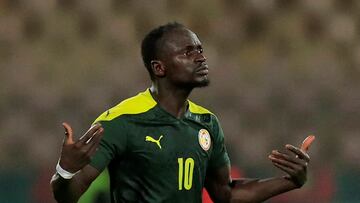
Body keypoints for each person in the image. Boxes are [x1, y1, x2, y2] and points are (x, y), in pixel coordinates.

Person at [51, 22, 312, 203]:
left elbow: (227, 195)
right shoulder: (121, 122)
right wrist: (65, 171)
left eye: (200, 50)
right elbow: (69, 195)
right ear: (159, 68)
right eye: (188, 52)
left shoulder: (207, 124)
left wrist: (290, 181)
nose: (200, 57)